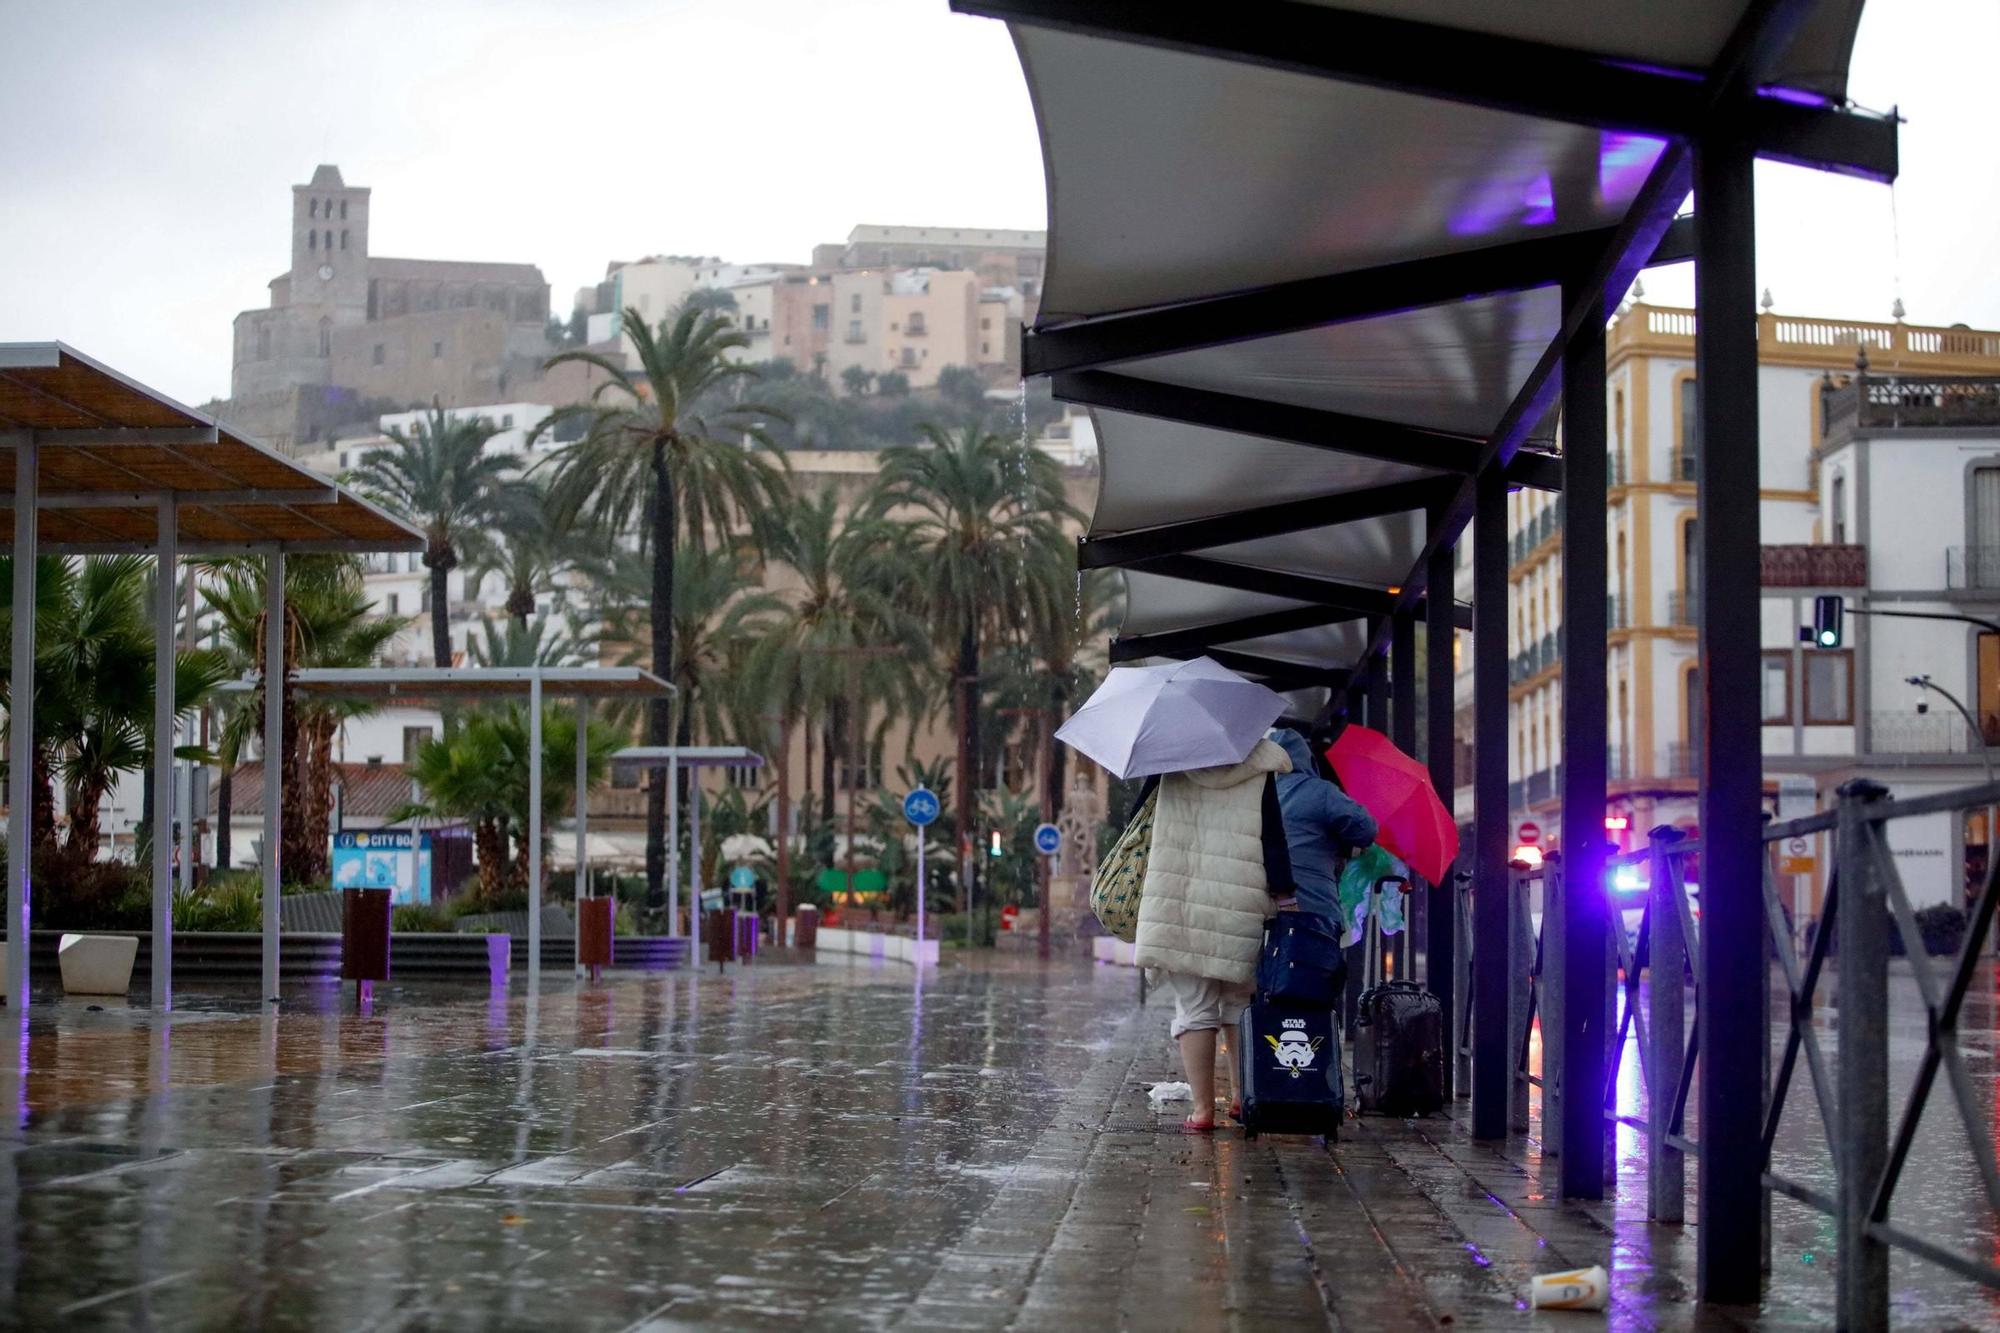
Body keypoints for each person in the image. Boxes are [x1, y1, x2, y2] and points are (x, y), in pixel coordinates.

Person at [1133, 736, 1296, 1133]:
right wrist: (1286, 897)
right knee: (1239, 1002)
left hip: (1179, 895)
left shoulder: (1168, 757)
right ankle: (1243, 1097)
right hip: (1239, 895)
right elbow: (1272, 837)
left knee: (1194, 1006)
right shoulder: (1258, 762)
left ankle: (1203, 1110)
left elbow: (1139, 824)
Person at [1266, 726, 1378, 924]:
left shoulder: (1257, 794)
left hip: (1263, 907)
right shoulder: (1319, 791)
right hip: (1314, 907)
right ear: (1307, 759)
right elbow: (1365, 829)